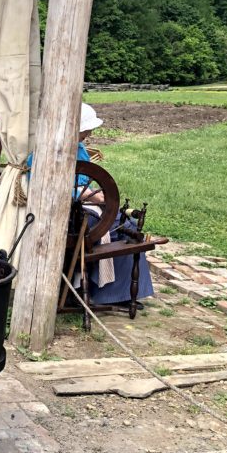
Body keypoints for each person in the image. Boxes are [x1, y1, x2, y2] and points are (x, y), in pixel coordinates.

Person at [73, 102, 154, 305]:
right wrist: (95, 197)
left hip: (80, 205)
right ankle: (113, 294)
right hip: (75, 212)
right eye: (86, 130)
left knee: (126, 224)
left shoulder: (77, 148)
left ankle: (115, 291)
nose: (89, 134)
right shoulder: (64, 150)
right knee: (127, 228)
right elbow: (67, 187)